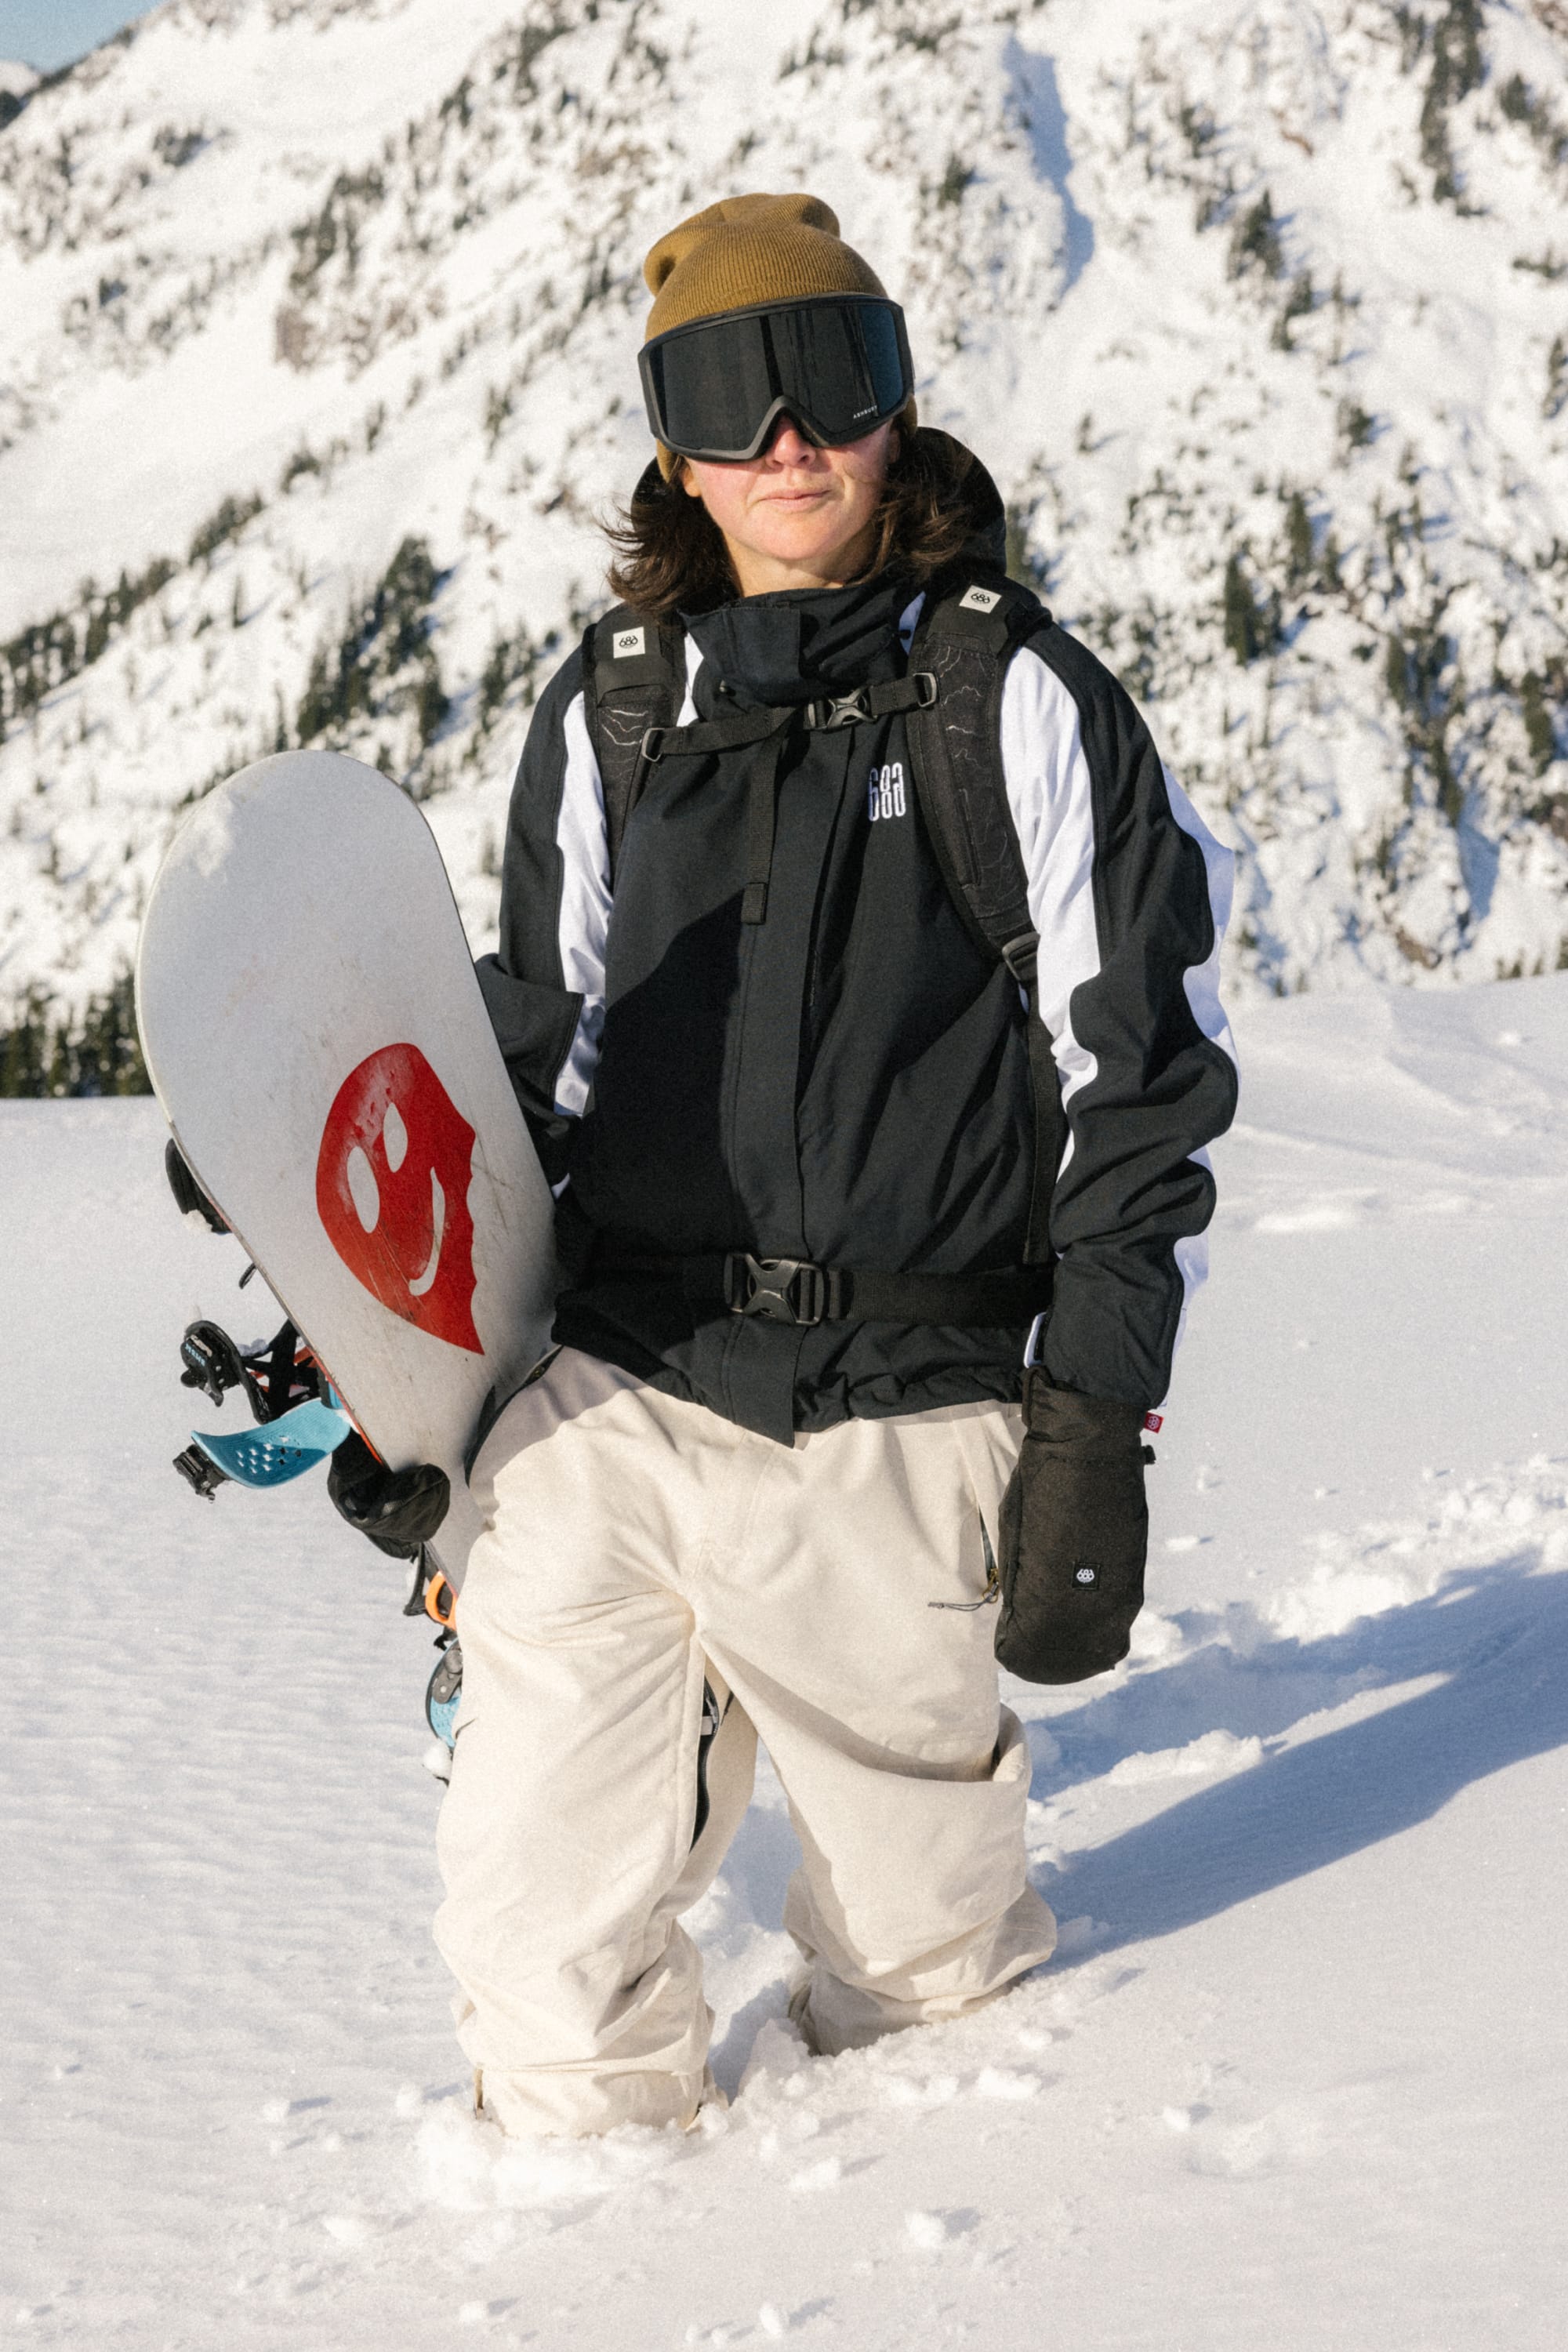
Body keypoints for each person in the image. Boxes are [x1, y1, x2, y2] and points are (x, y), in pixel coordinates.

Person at [430, 193, 1237, 2140]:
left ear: (895, 410)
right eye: (729, 389)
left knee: (925, 1979)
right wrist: (428, 1394)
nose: (786, 436)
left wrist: (1089, 1423)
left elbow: (1136, 1084)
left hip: (903, 1412)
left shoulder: (1009, 698)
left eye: (833, 375)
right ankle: (561, 2263)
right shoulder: (613, 710)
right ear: (672, 446)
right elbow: (538, 1067)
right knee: (536, 1943)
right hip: (616, 1397)